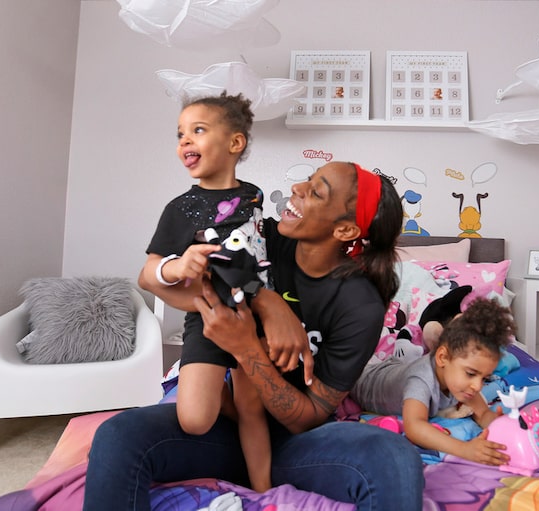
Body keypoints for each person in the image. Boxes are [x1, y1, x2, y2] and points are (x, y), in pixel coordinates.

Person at [83, 161, 424, 511]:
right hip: (223, 430)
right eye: (308, 180)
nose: (297, 189)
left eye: (316, 191)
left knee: (393, 457)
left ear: (345, 231)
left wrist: (247, 351)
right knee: (117, 435)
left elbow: (310, 415)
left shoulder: (359, 306)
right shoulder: (258, 238)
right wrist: (266, 300)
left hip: (299, 444)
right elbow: (152, 279)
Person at [137, 92, 275, 491]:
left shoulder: (254, 196)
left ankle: (263, 492)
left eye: (197, 130)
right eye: (180, 134)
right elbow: (149, 271)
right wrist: (179, 267)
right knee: (195, 419)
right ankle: (215, 387)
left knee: (255, 410)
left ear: (235, 143)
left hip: (253, 320)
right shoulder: (180, 208)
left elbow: (258, 255)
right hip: (209, 320)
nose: (185, 141)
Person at [350, 297, 516, 466]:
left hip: (396, 369)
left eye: (485, 378)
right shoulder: (421, 381)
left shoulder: (461, 380)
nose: (478, 385)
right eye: (471, 373)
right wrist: (465, 449)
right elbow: (414, 426)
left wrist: (500, 426)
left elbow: (483, 414)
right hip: (362, 377)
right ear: (443, 357)